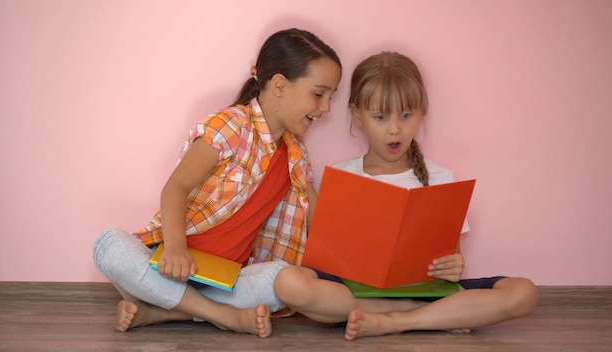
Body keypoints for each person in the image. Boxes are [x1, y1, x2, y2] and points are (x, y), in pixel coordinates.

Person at [92, 28, 342, 338]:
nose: (327, 107)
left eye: (332, 97)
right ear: (279, 84)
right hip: (170, 267)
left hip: (227, 283)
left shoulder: (296, 156)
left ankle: (164, 312)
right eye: (319, 94)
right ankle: (220, 316)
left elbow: (321, 223)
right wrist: (175, 249)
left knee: (289, 280)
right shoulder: (230, 126)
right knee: (110, 245)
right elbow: (176, 187)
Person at [273, 51, 539, 340]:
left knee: (523, 292)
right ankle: (423, 315)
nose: (395, 129)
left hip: (424, 291)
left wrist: (454, 266)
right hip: (357, 292)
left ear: (420, 112)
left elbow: (452, 260)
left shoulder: (439, 179)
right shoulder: (342, 176)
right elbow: (326, 255)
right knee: (289, 283)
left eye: (406, 115)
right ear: (358, 115)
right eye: (381, 117)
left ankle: (395, 321)